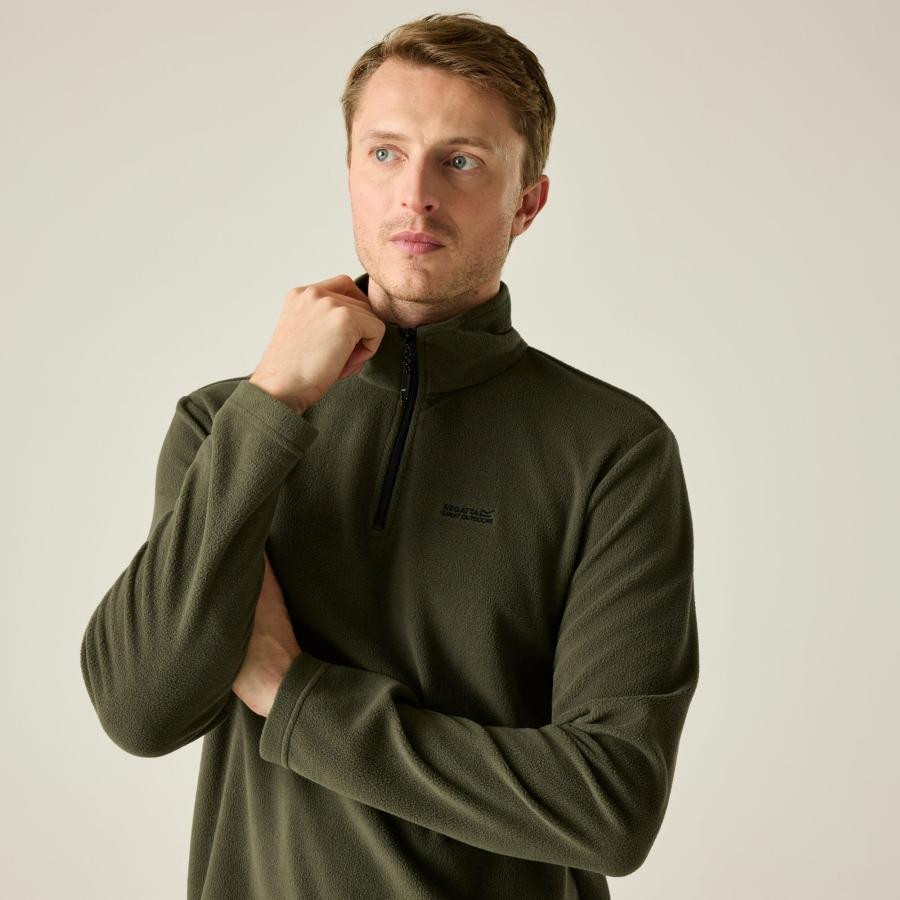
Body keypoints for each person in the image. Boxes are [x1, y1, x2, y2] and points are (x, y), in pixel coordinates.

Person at [80, 12, 700, 899]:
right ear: (350, 173)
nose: (416, 195)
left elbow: (610, 808)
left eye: (462, 161)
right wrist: (272, 404)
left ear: (528, 202)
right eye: (384, 153)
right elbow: (140, 712)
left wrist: (293, 694)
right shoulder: (226, 424)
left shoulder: (613, 450)